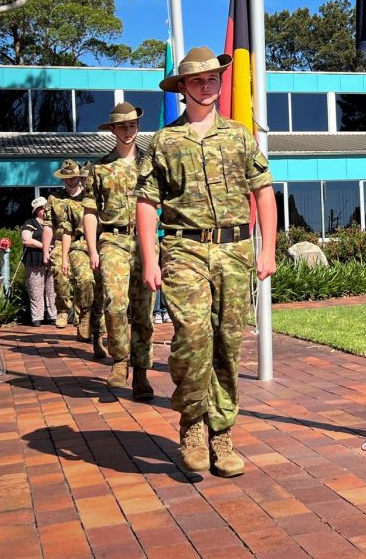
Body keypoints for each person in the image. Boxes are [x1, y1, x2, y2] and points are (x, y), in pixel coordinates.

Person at [136, 46, 277, 477]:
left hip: (234, 251)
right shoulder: (163, 141)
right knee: (192, 338)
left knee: (227, 345)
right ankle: (192, 424)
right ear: (182, 87)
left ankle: (222, 433)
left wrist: (266, 249)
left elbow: (264, 193)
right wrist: (148, 259)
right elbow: (146, 203)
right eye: (197, 80)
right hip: (184, 249)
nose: (207, 85)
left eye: (213, 78)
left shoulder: (239, 136)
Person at [84, 102, 155, 399]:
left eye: (132, 125)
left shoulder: (151, 165)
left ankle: (141, 373)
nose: (128, 131)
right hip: (113, 240)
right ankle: (120, 360)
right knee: (114, 302)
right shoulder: (99, 168)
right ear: (113, 129)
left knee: (143, 311)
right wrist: (91, 249)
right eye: (122, 126)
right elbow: (90, 210)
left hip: (145, 242)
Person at [46, 159, 105, 358]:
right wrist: (50, 250)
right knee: (83, 279)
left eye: (76, 177)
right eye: (67, 178)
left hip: (103, 244)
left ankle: (96, 335)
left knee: (102, 292)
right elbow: (59, 229)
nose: (73, 181)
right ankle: (69, 310)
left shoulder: (98, 197)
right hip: (75, 244)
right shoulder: (57, 199)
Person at [20, 197, 57, 327]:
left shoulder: (54, 222)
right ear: (36, 211)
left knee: (52, 289)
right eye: (41, 208)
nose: (44, 210)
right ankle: (37, 317)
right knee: (36, 290)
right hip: (34, 260)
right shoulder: (30, 223)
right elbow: (26, 240)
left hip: (53, 260)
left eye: (46, 207)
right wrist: (44, 246)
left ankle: (54, 316)